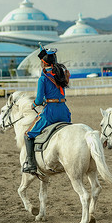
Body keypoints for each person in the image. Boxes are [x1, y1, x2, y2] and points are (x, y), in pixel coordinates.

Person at [23, 45, 72, 174]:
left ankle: (31, 164)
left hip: (51, 112)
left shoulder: (43, 78)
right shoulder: (61, 74)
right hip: (64, 112)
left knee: (28, 135)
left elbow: (39, 100)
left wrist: (34, 104)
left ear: (43, 62)